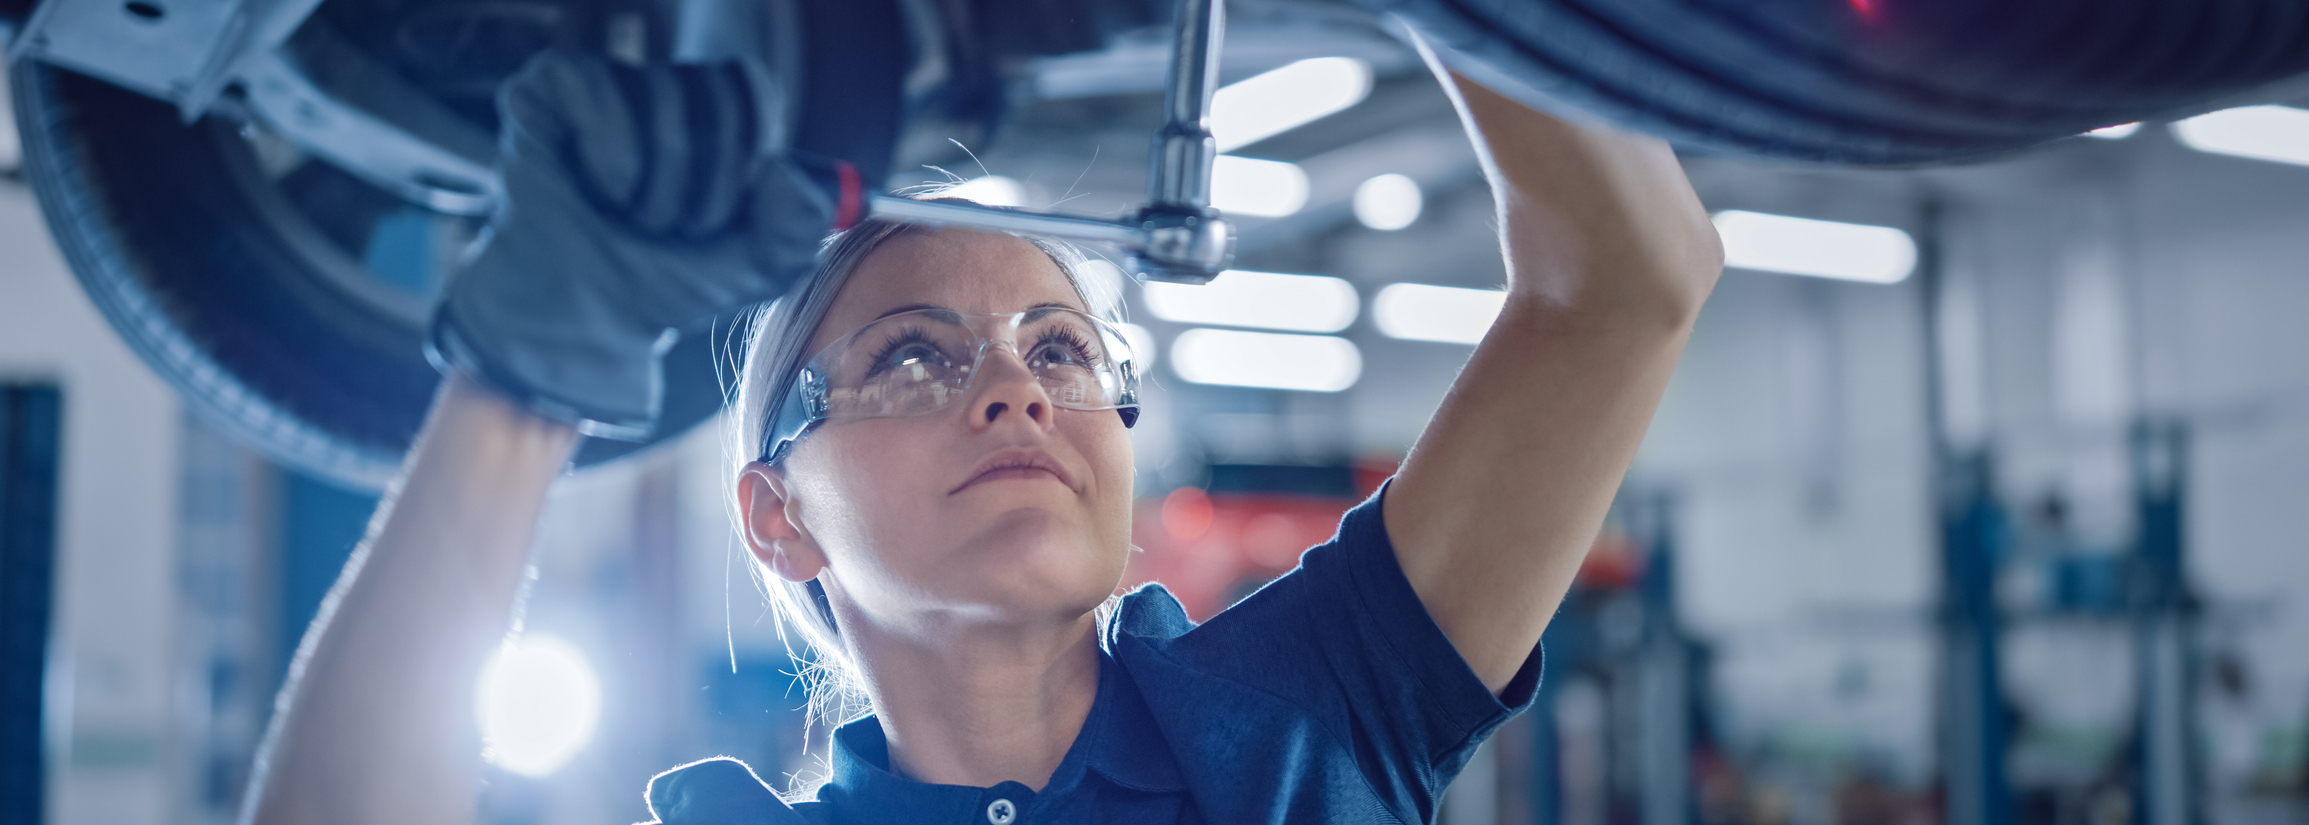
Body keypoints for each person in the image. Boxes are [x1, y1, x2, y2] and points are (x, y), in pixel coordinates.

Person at [239, 29, 1723, 825]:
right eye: (909, 357)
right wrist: (520, 384)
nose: (1013, 387)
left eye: (1061, 346)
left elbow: (1629, 281)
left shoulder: (1307, 720)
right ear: (777, 509)